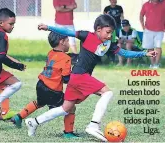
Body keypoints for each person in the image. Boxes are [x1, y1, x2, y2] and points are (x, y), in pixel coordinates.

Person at [24, 15, 156, 141]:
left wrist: (144, 53)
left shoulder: (109, 43)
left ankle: (33, 122)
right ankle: (94, 125)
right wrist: (48, 27)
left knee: (65, 109)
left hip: (77, 77)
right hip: (80, 75)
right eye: (108, 32)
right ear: (98, 29)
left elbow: (124, 52)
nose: (110, 36)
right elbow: (67, 31)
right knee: (107, 92)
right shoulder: (86, 36)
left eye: (112, 33)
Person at [9, 32, 78, 138]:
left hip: (41, 84)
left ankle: (19, 116)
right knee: (70, 107)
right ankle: (68, 133)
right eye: (68, 41)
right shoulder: (66, 58)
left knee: (39, 103)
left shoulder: (50, 53)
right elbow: (66, 79)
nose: (69, 43)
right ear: (62, 42)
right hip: (53, 89)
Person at [140, 0, 165, 68]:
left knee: (158, 47)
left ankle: (156, 64)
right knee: (150, 48)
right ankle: (152, 64)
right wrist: (143, 26)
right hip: (148, 30)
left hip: (160, 30)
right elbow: (141, 15)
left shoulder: (163, 3)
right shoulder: (146, 4)